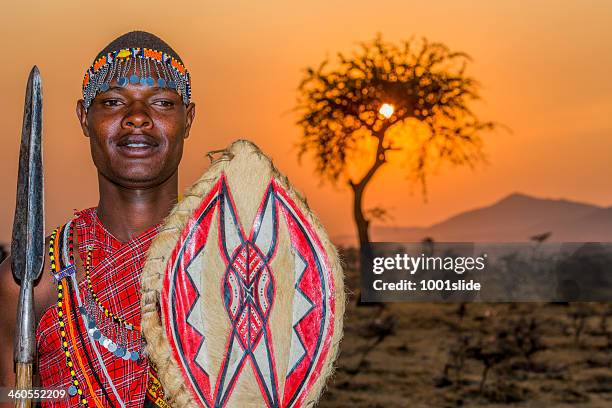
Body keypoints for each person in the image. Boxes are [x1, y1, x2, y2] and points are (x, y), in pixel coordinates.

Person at [0, 30, 196, 407]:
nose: (137, 117)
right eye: (112, 101)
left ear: (188, 119)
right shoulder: (29, 283)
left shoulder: (230, 270)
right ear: (84, 118)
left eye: (161, 103)